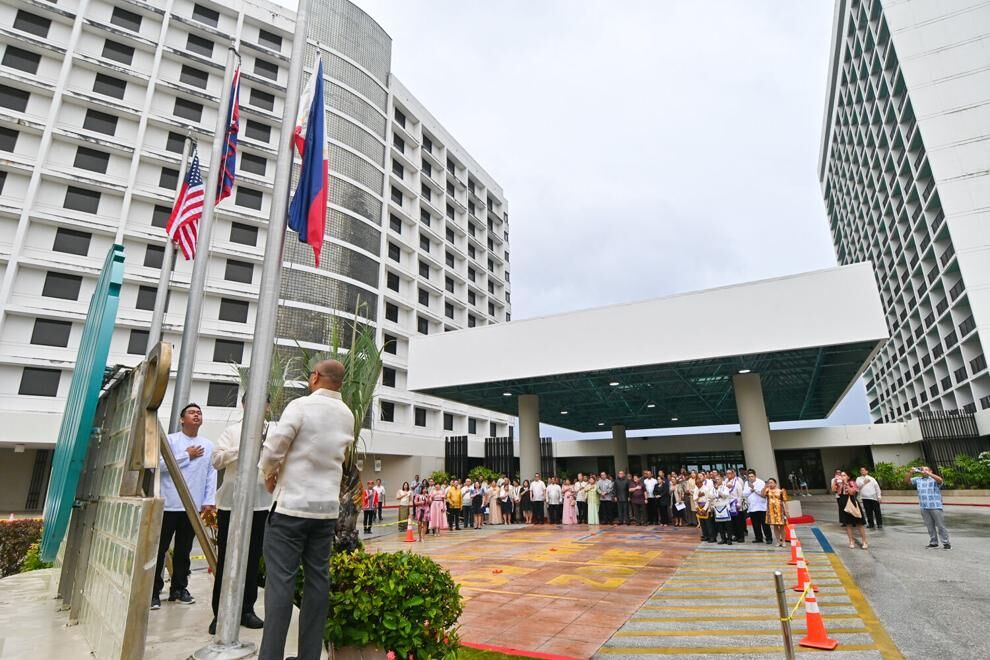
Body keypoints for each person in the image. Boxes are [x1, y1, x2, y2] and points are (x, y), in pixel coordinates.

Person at [257, 359, 353, 660]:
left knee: (280, 586)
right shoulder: (347, 415)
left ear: (314, 377)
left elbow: (274, 449)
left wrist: (268, 474)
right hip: (325, 512)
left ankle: (271, 655)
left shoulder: (300, 406)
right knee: (317, 582)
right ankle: (308, 656)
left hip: (291, 508)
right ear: (340, 383)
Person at [208, 396, 268, 634]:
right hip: (231, 504)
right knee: (226, 559)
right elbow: (216, 461)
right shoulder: (232, 432)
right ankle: (220, 613)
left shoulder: (272, 434)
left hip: (260, 504)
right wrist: (243, 447)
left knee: (253, 559)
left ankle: (246, 610)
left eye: (262, 404)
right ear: (245, 405)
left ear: (267, 407)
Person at [152, 403, 216, 610]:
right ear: (182, 419)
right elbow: (157, 466)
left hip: (192, 507)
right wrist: (185, 455)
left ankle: (179, 589)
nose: (196, 415)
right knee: (159, 549)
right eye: (191, 412)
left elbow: (210, 474)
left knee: (184, 550)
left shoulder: (208, 445)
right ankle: (153, 592)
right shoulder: (170, 441)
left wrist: (208, 501)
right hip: (169, 504)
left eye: (199, 413)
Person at [907, 466, 950, 549]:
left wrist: (929, 474)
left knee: (940, 525)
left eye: (926, 469)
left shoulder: (934, 479)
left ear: (931, 471)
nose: (924, 471)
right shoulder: (918, 479)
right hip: (924, 506)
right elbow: (907, 481)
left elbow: (940, 480)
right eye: (922, 469)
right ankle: (933, 542)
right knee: (929, 526)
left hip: (935, 506)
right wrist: (910, 473)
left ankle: (946, 543)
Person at [837, 471, 869, 549]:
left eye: (844, 475)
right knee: (848, 524)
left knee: (859, 523)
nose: (842, 476)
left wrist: (846, 483)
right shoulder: (839, 484)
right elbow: (835, 491)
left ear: (848, 477)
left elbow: (852, 493)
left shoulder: (852, 483)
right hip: (843, 504)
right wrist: (836, 482)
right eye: (841, 475)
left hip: (852, 502)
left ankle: (864, 541)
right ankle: (851, 541)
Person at [744, 470, 772, 545]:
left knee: (765, 524)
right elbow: (745, 494)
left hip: (761, 507)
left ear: (755, 476)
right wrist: (751, 490)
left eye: (752, 476)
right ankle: (758, 538)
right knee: (755, 525)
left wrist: (754, 489)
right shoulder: (746, 483)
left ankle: (768, 538)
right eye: (749, 477)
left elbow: (763, 493)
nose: (750, 478)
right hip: (752, 507)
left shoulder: (761, 482)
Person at [763, 478, 789, 546]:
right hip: (771, 511)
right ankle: (778, 541)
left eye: (771, 482)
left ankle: (783, 541)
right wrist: (765, 487)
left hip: (780, 510)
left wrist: (786, 511)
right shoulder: (767, 490)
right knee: (775, 526)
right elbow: (762, 495)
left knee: (782, 526)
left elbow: (785, 501)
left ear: (775, 483)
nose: (770, 484)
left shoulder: (781, 491)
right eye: (769, 483)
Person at [724, 469, 746, 542]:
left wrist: (739, 503)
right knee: (732, 521)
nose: (728, 475)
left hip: (736, 503)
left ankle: (741, 537)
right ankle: (736, 535)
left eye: (730, 473)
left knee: (738, 521)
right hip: (729, 503)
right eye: (727, 473)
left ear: (733, 474)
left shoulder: (737, 482)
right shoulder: (725, 482)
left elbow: (740, 494)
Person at [711, 475, 733, 545]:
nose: (717, 481)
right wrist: (715, 495)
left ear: (721, 480)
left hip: (724, 508)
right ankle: (723, 538)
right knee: (720, 526)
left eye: (718, 479)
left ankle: (729, 539)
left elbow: (725, 495)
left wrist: (718, 491)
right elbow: (709, 496)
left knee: (728, 525)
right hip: (717, 508)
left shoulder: (725, 487)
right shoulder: (713, 488)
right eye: (716, 479)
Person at [695, 474, 715, 543]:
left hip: (706, 507)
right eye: (696, 484)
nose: (697, 485)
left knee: (708, 523)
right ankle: (705, 535)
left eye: (698, 483)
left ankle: (711, 537)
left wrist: (704, 509)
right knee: (702, 523)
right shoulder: (696, 489)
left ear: (701, 483)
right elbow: (694, 499)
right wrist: (697, 507)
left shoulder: (706, 489)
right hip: (699, 507)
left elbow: (709, 499)